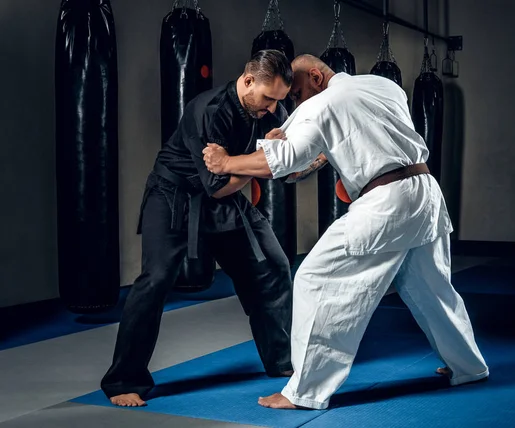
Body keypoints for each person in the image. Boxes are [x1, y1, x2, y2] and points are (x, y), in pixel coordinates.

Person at [202, 54, 489, 410]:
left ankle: (304, 392)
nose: (295, 100)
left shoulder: (321, 103)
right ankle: (469, 367)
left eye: (297, 92)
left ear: (316, 77)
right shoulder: (383, 86)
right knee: (432, 289)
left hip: (386, 204)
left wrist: (226, 162)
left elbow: (281, 161)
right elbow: (367, 136)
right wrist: (327, 154)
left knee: (313, 278)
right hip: (426, 193)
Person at [101, 50, 296, 407]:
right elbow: (217, 184)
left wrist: (289, 161)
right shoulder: (208, 111)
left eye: (279, 101)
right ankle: (123, 379)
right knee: (156, 279)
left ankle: (281, 361)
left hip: (227, 193)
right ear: (248, 81)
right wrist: (265, 164)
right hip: (175, 195)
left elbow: (289, 163)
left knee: (273, 266)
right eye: (268, 98)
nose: (272, 108)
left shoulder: (273, 108)